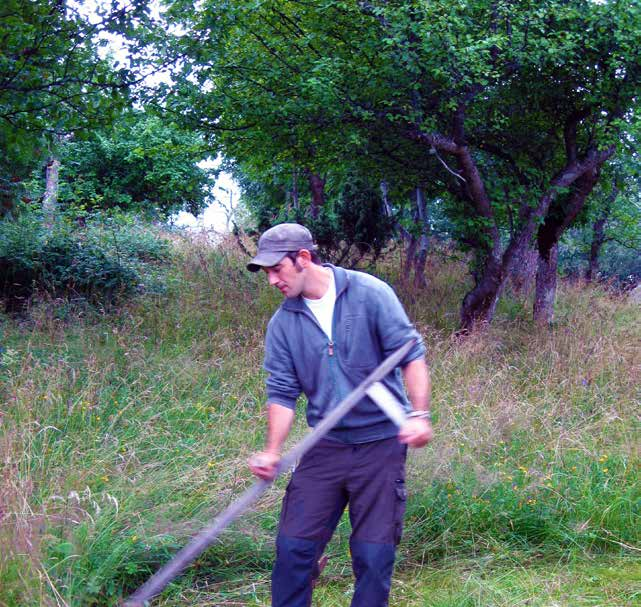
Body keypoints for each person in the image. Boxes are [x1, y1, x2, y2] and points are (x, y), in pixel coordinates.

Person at [246, 223, 433, 607]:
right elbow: (282, 392)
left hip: (380, 445)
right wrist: (272, 450)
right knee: (294, 551)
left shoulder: (369, 294)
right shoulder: (283, 324)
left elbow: (410, 355)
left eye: (276, 269)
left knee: (373, 556)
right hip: (324, 446)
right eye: (266, 273)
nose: (271, 281)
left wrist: (419, 414)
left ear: (303, 258)